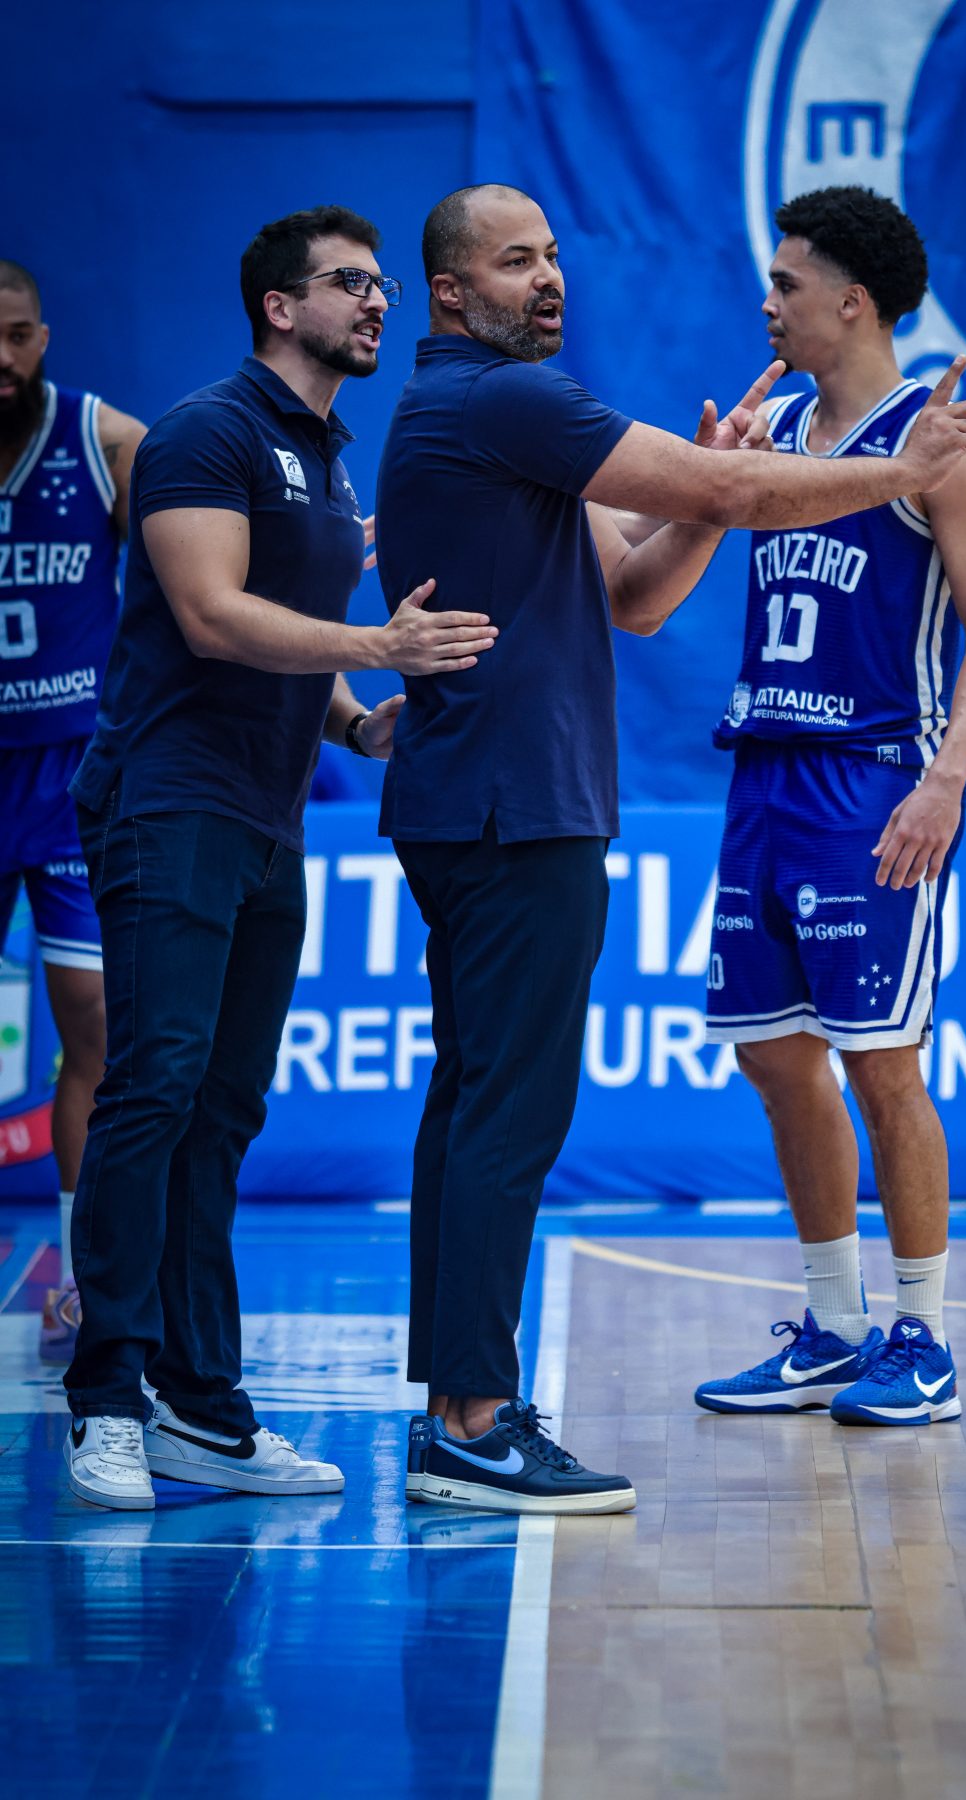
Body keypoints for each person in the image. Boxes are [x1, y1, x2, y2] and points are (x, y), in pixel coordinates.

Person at [376, 183, 966, 1516]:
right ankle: (474, 1419)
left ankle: (903, 1332)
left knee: (494, 1103)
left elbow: (637, 595)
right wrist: (896, 474)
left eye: (554, 253)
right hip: (523, 803)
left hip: (790, 780)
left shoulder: (497, 413)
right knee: (517, 1111)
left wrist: (944, 775)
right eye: (517, 260)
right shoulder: (510, 400)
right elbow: (732, 485)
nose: (550, 277)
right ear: (453, 292)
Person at [62, 205, 498, 1512]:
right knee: (154, 1089)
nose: (377, 303)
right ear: (278, 306)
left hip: (266, 816)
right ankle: (106, 1400)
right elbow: (211, 615)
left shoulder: (327, 454)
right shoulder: (208, 431)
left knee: (222, 1111)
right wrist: (378, 648)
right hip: (167, 804)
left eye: (381, 285)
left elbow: (290, 626)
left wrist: (360, 721)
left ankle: (202, 1410)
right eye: (349, 284)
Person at [694, 185, 966, 1427]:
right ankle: (834, 1329)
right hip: (764, 772)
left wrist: (946, 780)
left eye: (786, 283)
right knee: (776, 1057)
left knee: (884, 1062)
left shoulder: (941, 443)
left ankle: (923, 1340)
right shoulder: (773, 425)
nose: (766, 300)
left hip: (873, 781)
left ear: (853, 302)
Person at [0, 260, 145, 1360]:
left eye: (16, 336)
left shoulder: (104, 441)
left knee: (94, 1024)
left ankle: (84, 1283)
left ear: (43, 337)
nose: (0, 360)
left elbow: (197, 574)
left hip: (69, 773)